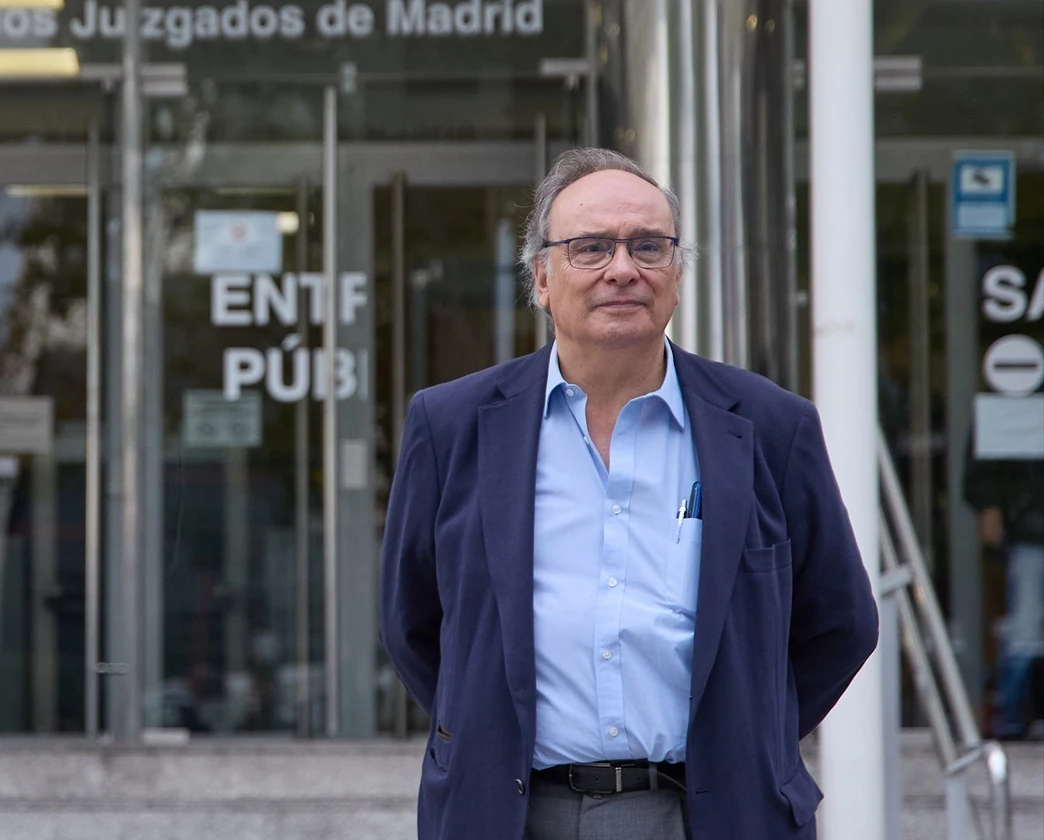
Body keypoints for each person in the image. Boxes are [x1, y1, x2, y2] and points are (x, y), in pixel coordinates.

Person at [380, 147, 878, 840]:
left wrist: (747, 741)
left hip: (710, 815)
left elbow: (841, 622)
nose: (623, 269)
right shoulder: (452, 425)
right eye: (590, 248)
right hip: (510, 814)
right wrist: (484, 732)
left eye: (648, 246)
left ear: (676, 274)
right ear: (542, 278)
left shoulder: (770, 426)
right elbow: (413, 623)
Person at [965, 448, 1044, 740]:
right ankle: (1010, 715)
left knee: (1023, 628)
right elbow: (989, 441)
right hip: (1027, 524)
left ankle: (1012, 714)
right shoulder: (1009, 405)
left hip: (1026, 521)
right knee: (1023, 629)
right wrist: (989, 503)